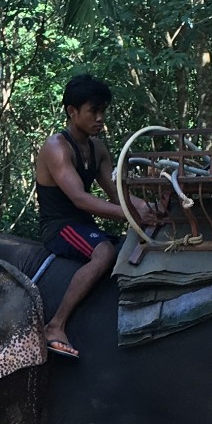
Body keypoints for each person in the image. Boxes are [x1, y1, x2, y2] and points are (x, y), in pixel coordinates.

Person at [34, 73, 138, 358]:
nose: (100, 118)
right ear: (72, 111)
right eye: (94, 111)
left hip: (83, 226)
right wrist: (131, 215)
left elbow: (118, 195)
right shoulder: (56, 147)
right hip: (60, 227)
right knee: (104, 253)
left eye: (102, 111)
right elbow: (80, 199)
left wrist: (149, 211)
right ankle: (55, 325)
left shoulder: (98, 148)